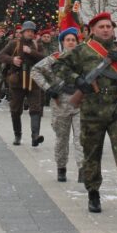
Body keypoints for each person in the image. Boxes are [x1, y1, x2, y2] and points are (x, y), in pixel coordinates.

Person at [55, 12, 117, 213]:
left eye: (109, 26)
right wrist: (76, 79)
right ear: (92, 30)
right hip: (92, 110)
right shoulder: (82, 51)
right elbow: (58, 65)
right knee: (92, 152)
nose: (106, 30)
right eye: (102, 27)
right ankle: (93, 194)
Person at [31, 27, 84, 183]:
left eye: (73, 40)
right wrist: (48, 88)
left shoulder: (83, 58)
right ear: (62, 42)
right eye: (68, 40)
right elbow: (35, 71)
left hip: (80, 101)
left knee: (81, 138)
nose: (71, 42)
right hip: (60, 103)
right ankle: (61, 168)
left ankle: (82, 169)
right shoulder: (54, 59)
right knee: (62, 139)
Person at [0, 20, 45, 145]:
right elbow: (1, 55)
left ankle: (35, 136)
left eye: (32, 31)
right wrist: (12, 60)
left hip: (34, 81)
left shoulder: (37, 44)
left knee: (35, 108)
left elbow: (45, 59)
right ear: (23, 32)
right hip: (17, 81)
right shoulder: (14, 43)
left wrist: (31, 52)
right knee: (15, 109)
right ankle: (17, 135)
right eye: (28, 31)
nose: (30, 33)